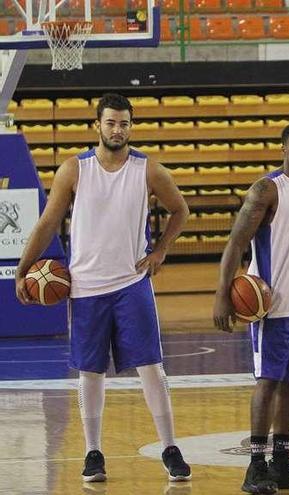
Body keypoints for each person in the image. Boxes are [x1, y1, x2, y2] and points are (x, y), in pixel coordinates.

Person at [14, 93, 192, 483]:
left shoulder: (148, 170)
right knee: (90, 372)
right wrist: (23, 268)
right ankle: (93, 452)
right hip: (86, 286)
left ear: (131, 126)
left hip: (132, 282)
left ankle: (170, 447)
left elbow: (181, 210)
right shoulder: (74, 170)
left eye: (124, 123)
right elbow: (47, 223)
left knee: (152, 368)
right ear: (98, 124)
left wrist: (160, 250)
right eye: (111, 122)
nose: (117, 129)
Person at [213, 122, 289, 494]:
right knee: (268, 382)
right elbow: (235, 244)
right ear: (284, 149)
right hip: (271, 309)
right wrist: (221, 295)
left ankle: (281, 464)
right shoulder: (267, 189)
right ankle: (255, 466)